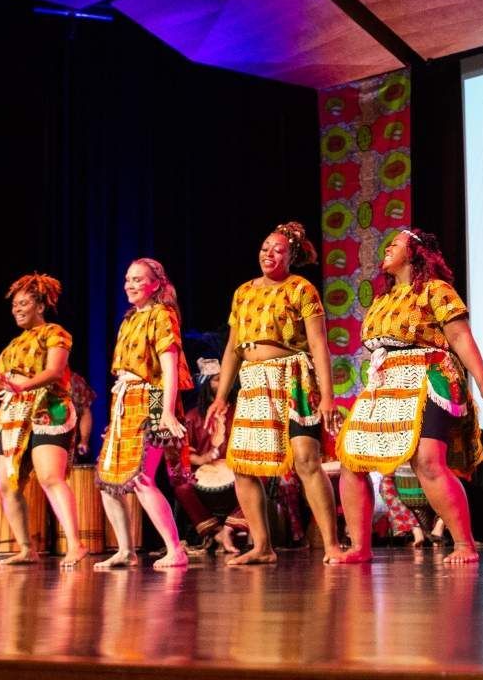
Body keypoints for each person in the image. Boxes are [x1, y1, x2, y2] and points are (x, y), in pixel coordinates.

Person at [333, 228, 483, 565]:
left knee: (427, 460)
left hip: (428, 375)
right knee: (351, 460)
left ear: (414, 253)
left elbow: (459, 336)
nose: (387, 249)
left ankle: (464, 544)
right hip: (386, 382)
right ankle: (360, 547)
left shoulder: (436, 290)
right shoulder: (382, 299)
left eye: (395, 245)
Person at [209, 222, 341, 564]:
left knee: (306, 459)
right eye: (265, 247)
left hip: (293, 377)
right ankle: (262, 546)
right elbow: (233, 348)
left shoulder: (301, 289)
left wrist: (328, 396)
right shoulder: (243, 292)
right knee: (242, 466)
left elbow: (319, 344)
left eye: (278, 249)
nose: (269, 253)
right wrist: (221, 398)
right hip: (253, 382)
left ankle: (331, 545)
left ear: (291, 256)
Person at [0, 273, 88, 567]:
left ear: (40, 306)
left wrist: (23, 386)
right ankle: (26, 548)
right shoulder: (12, 347)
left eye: (23, 303)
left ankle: (75, 545)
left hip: (47, 409)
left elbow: (54, 371)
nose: (16, 309)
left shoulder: (55, 333)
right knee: (7, 485)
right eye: (14, 305)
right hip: (14, 415)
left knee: (50, 477)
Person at [94, 258, 190, 571]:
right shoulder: (129, 319)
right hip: (125, 400)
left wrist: (166, 412)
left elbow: (169, 366)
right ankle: (125, 550)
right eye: (128, 279)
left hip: (151, 398)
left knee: (142, 477)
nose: (130, 285)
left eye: (138, 279)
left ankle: (175, 549)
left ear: (156, 284)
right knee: (108, 480)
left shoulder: (161, 315)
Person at [173, 360, 246, 555]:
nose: (222, 383)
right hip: (205, 474)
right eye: (216, 379)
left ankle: (230, 528)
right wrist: (201, 459)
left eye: (225, 379)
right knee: (182, 486)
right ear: (206, 384)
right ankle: (216, 531)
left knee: (261, 478)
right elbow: (185, 452)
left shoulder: (240, 411)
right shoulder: (193, 416)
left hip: (238, 468)